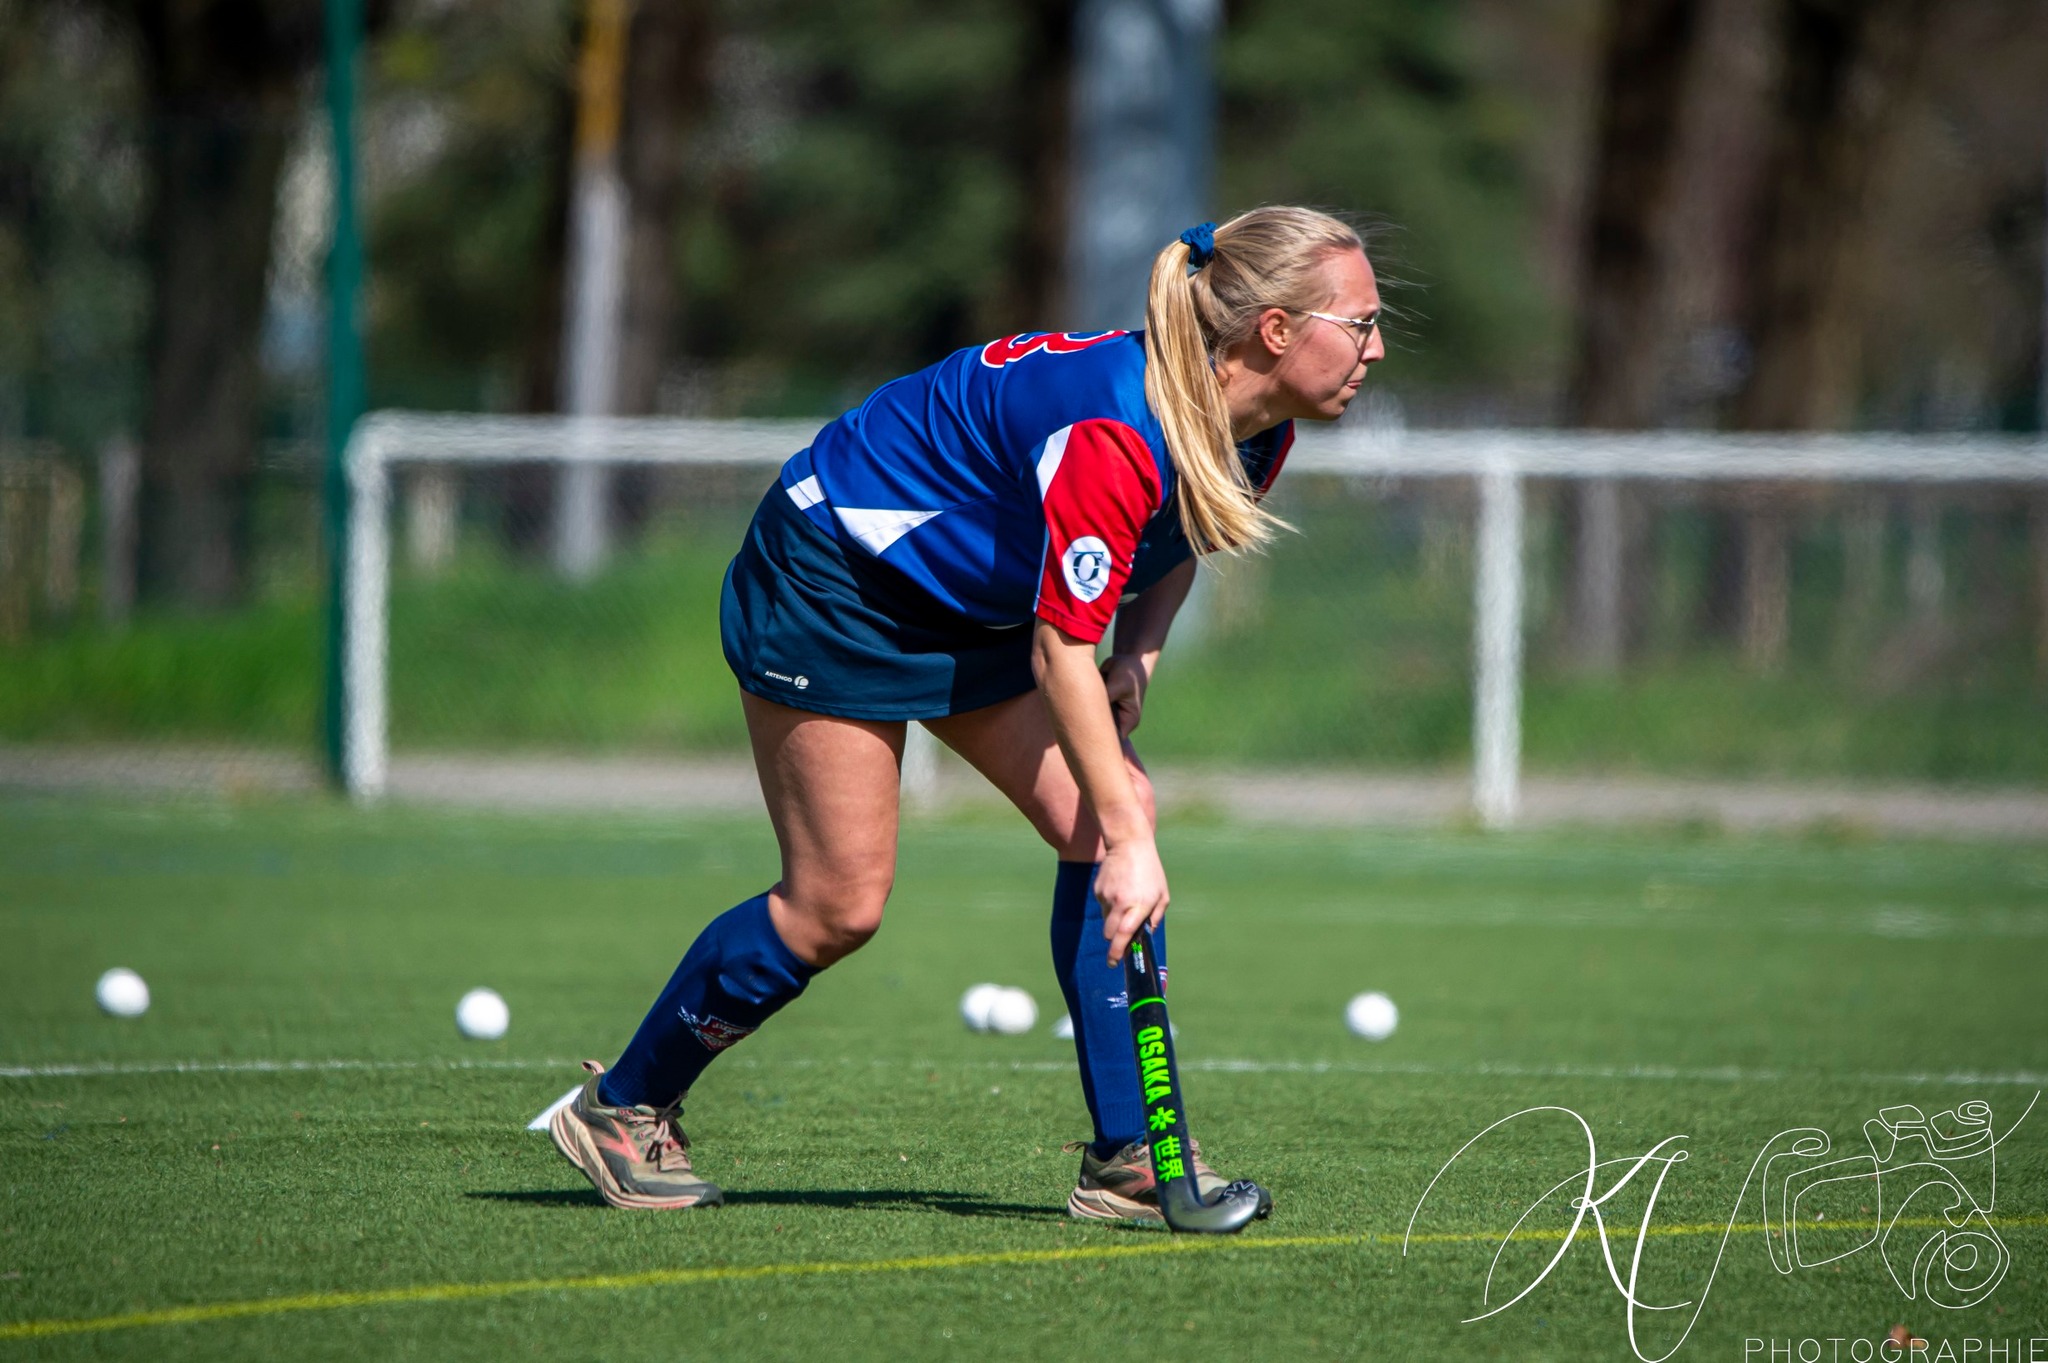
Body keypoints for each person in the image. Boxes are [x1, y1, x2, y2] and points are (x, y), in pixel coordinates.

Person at [549, 205, 1386, 1221]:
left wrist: (1140, 650)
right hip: (837, 578)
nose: (1376, 348)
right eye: (1360, 323)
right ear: (1276, 331)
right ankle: (623, 1105)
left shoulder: (1255, 427)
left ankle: (1128, 1157)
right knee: (839, 905)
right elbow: (1058, 650)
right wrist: (1129, 835)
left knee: (1106, 818)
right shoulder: (1114, 432)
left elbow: (1186, 529)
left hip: (974, 599)